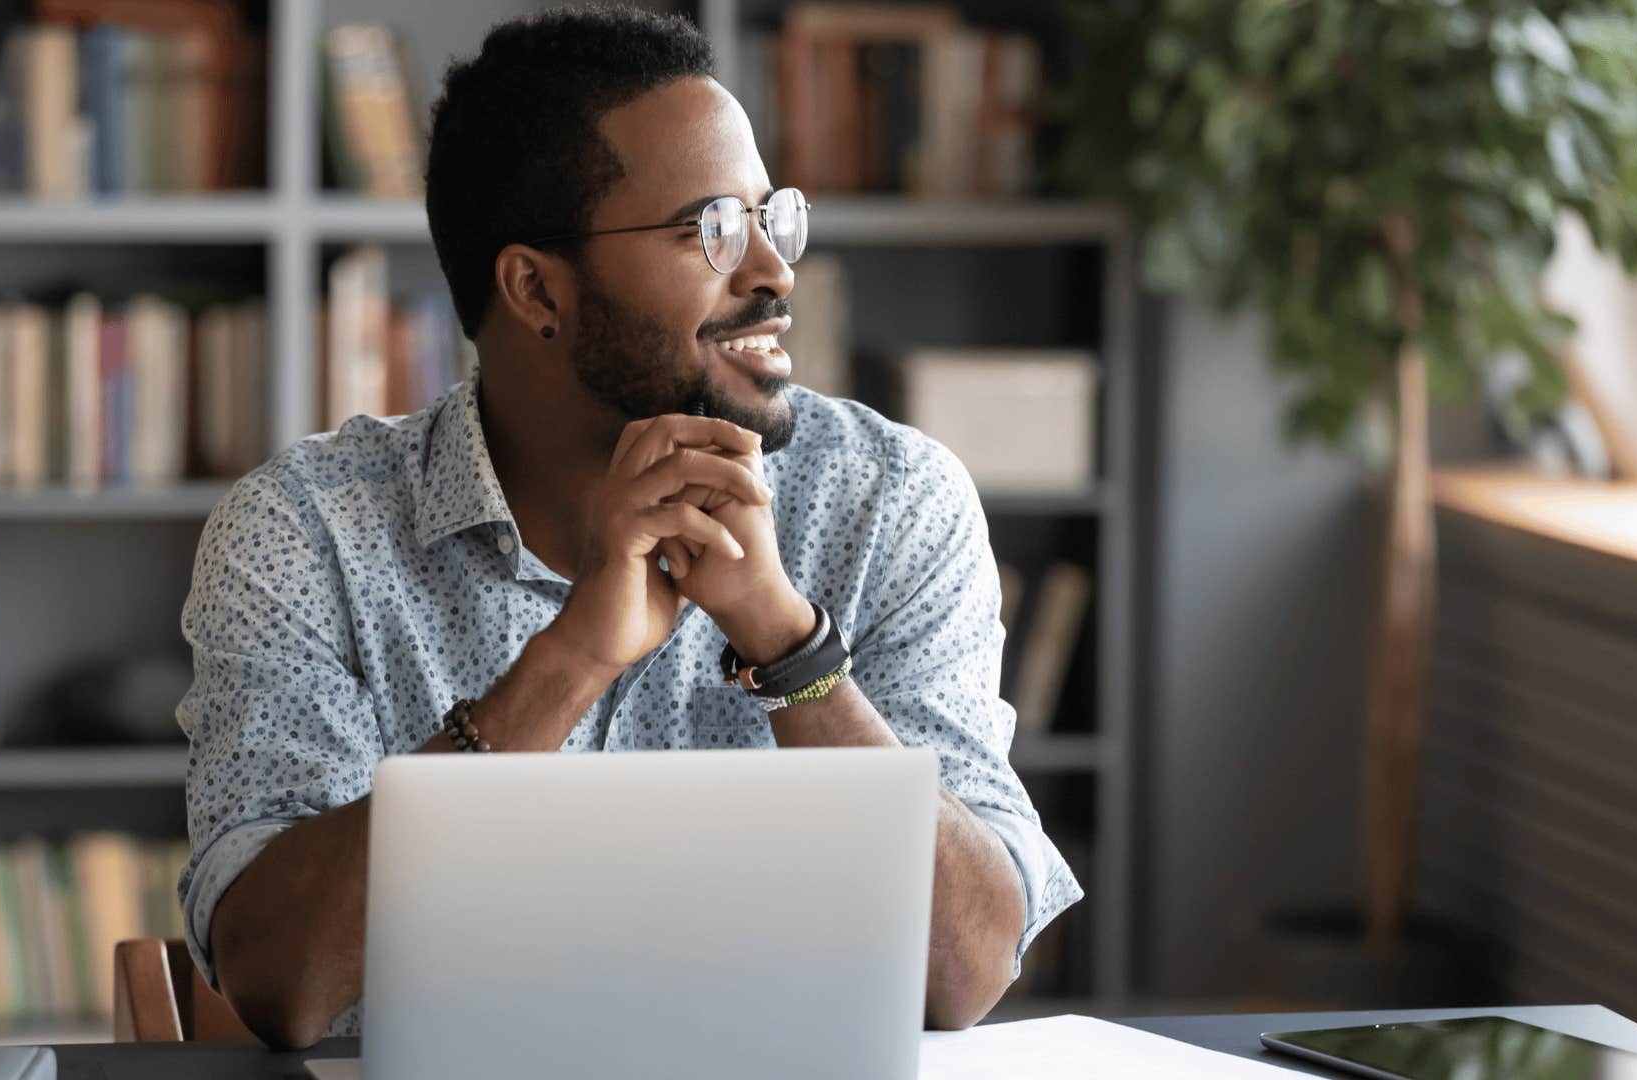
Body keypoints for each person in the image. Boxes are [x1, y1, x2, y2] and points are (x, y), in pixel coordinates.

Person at [176, 4, 1082, 1049]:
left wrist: (790, 648)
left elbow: (966, 973)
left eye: (770, 220)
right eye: (712, 231)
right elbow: (282, 985)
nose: (773, 275)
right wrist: (566, 664)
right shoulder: (307, 534)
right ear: (535, 288)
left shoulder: (892, 501)